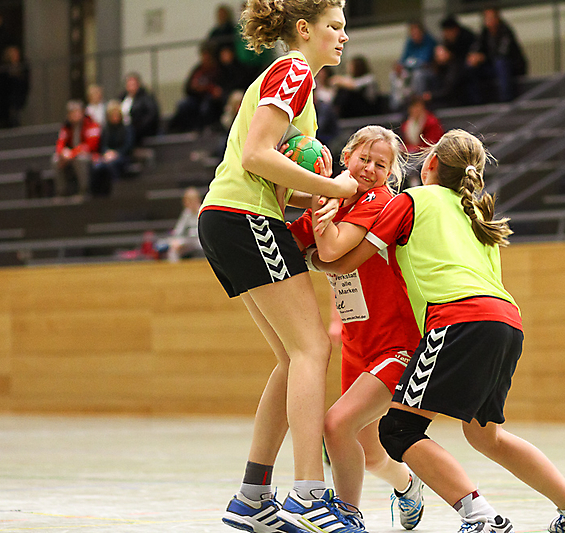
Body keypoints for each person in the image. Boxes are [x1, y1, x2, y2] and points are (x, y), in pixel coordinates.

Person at [311, 129, 565, 533]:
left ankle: (482, 517)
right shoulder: (478, 216)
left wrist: (316, 250)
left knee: (399, 430)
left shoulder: (412, 200)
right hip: (507, 323)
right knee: (488, 438)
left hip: (457, 320)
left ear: (431, 163)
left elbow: (344, 259)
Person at [196, 1, 362, 533]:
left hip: (230, 216)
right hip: (244, 215)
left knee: (294, 359)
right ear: (304, 29)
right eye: (334, 26)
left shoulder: (300, 89)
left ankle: (252, 497)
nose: (343, 36)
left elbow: (276, 179)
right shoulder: (294, 70)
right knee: (313, 349)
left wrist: (322, 200)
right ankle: (309, 496)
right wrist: (334, 185)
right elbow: (255, 155)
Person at [287, 126, 425, 530]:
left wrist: (321, 201)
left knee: (335, 425)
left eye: (380, 165)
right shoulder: (336, 200)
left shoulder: (377, 200)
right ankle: (408, 485)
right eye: (363, 159)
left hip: (396, 344)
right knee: (367, 448)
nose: (369, 169)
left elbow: (329, 248)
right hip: (356, 343)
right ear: (345, 156)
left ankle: (347, 515)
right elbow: (292, 245)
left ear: (390, 173)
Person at [467, 8, 528, 103]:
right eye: (487, 18)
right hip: (492, 67)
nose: (489, 21)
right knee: (470, 65)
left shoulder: (505, 31)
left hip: (511, 67)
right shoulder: (484, 32)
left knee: (501, 63)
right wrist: (473, 56)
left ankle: (506, 99)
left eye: (491, 18)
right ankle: (475, 101)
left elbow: (503, 53)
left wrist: (483, 58)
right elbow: (476, 47)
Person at [168, 42, 223, 132]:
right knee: (183, 105)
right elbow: (188, 88)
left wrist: (206, 88)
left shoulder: (218, 69)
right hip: (196, 97)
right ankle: (182, 129)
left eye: (207, 55)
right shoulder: (198, 69)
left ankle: (204, 129)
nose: (205, 58)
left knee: (206, 107)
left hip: (211, 100)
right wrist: (196, 88)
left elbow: (217, 89)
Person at [52, 99, 101, 196]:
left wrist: (71, 154)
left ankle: (84, 191)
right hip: (71, 156)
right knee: (55, 159)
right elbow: (60, 143)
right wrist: (62, 153)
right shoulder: (66, 127)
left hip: (92, 156)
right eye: (72, 113)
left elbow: (91, 146)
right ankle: (61, 191)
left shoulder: (91, 124)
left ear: (82, 112)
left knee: (80, 159)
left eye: (77, 112)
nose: (75, 115)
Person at [428, 16, 476, 108]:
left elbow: (466, 56)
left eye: (447, 31)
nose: (445, 34)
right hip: (452, 66)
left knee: (455, 72)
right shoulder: (446, 40)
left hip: (466, 68)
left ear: (454, 29)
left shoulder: (467, 37)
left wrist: (450, 56)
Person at [90, 100, 134, 196]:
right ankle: (96, 195)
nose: (114, 117)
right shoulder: (106, 129)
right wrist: (107, 153)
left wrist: (116, 153)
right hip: (107, 156)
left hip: (123, 156)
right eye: (112, 115)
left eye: (116, 115)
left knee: (112, 165)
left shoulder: (126, 128)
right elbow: (103, 145)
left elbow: (128, 146)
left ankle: (114, 192)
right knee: (97, 167)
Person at [389, 21, 436, 112]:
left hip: (428, 71)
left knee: (418, 75)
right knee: (395, 75)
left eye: (416, 33)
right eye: (412, 33)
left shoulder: (429, 41)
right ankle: (397, 105)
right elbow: (404, 60)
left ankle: (418, 102)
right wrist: (402, 66)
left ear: (422, 32)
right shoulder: (410, 42)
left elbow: (424, 61)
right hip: (411, 69)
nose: (414, 35)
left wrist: (410, 63)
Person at [155, 187, 203, 262]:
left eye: (190, 200)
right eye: (186, 201)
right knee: (173, 248)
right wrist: (175, 241)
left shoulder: (203, 211)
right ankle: (175, 268)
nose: (187, 203)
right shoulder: (186, 213)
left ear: (197, 200)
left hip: (200, 241)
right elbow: (178, 231)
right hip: (188, 241)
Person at [0, 44, 29, 128]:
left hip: (17, 99)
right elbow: (2, 88)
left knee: (16, 118)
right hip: (6, 101)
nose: (16, 56)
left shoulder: (22, 68)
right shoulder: (3, 70)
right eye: (14, 54)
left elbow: (24, 85)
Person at [119, 72, 160, 145]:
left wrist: (136, 127)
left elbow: (151, 115)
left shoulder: (146, 98)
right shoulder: (122, 98)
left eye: (133, 84)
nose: (131, 87)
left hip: (138, 131)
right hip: (122, 130)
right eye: (129, 84)